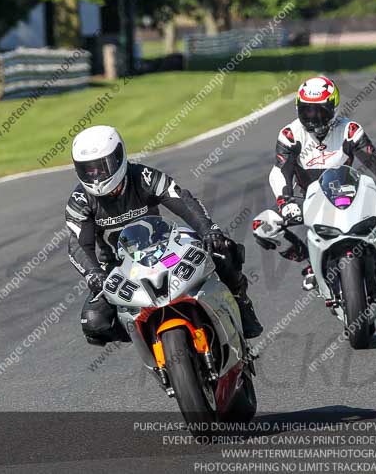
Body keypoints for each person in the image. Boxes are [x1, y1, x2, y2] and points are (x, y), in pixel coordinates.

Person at [65, 125, 263, 344]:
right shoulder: (80, 201)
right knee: (94, 322)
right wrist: (93, 273)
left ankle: (241, 302)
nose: (96, 175)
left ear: (119, 156)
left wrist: (208, 230)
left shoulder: (144, 176)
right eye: (88, 170)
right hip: (118, 266)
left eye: (101, 167)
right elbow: (78, 244)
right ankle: (148, 334)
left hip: (164, 248)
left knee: (224, 250)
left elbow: (182, 201)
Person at [255, 76, 376, 290]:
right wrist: (285, 201)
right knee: (263, 227)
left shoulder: (350, 130)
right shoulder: (290, 135)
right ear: (299, 109)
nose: (313, 117)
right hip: (310, 199)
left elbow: (375, 158)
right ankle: (310, 263)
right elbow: (280, 171)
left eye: (320, 111)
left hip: (349, 193)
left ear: (333, 108)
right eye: (307, 110)